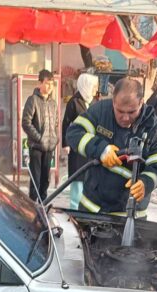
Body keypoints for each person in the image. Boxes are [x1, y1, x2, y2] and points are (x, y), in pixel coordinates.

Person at [66, 78, 157, 217]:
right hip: (93, 207)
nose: (125, 118)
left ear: (141, 103)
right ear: (113, 101)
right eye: (120, 111)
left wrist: (146, 183)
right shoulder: (100, 111)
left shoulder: (153, 127)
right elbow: (74, 133)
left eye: (131, 112)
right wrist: (101, 149)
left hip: (130, 214)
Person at [61, 72, 99, 209]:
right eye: (94, 86)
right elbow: (66, 123)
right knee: (77, 177)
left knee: (89, 177)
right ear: (86, 85)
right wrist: (66, 144)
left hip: (91, 147)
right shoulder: (74, 102)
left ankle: (86, 209)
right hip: (77, 147)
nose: (96, 89)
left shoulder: (95, 102)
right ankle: (74, 208)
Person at [22, 69, 59, 202]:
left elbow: (56, 123)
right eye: (47, 83)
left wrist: (55, 138)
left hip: (49, 147)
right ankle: (32, 206)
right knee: (35, 181)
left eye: (51, 84)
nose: (49, 87)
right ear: (40, 83)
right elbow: (26, 123)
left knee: (45, 180)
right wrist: (39, 138)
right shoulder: (33, 100)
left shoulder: (53, 103)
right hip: (37, 147)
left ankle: (44, 205)